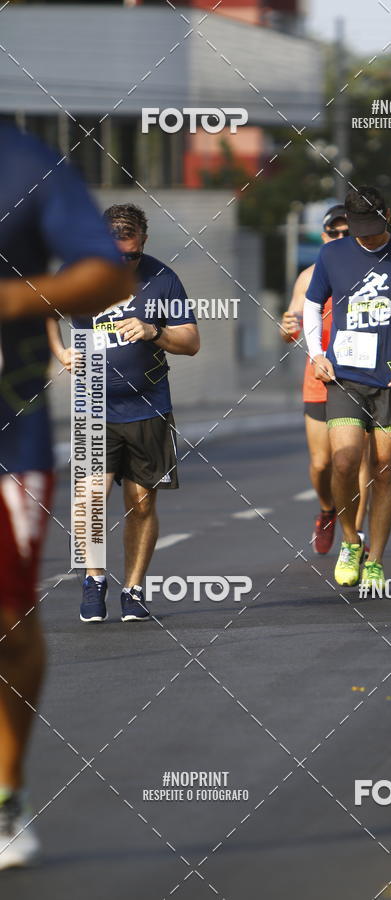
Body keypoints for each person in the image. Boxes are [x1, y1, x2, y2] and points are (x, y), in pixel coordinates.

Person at [0, 123, 132, 869]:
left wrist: (13, 298)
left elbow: (106, 276)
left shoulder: (24, 163)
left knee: (9, 625)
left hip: (6, 436)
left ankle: (6, 792)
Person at [47, 204, 199, 622]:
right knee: (89, 498)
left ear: (142, 243)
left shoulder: (163, 278)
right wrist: (60, 350)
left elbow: (191, 341)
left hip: (149, 406)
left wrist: (156, 331)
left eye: (129, 257)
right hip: (93, 402)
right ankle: (94, 579)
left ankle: (133, 589)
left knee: (142, 504)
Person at [303, 186, 391, 590]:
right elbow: (314, 304)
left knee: (384, 469)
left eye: (373, 227)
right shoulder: (333, 253)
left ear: (388, 214)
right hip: (345, 375)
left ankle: (377, 560)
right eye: (359, 229)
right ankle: (351, 540)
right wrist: (316, 353)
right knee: (345, 460)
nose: (366, 237)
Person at [281, 204, 370, 553]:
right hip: (320, 377)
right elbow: (290, 327)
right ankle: (327, 508)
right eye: (335, 233)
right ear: (324, 237)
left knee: (355, 460)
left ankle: (356, 535)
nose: (342, 238)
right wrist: (287, 328)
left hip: (362, 377)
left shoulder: (371, 272)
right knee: (322, 464)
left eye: (348, 233)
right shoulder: (310, 276)